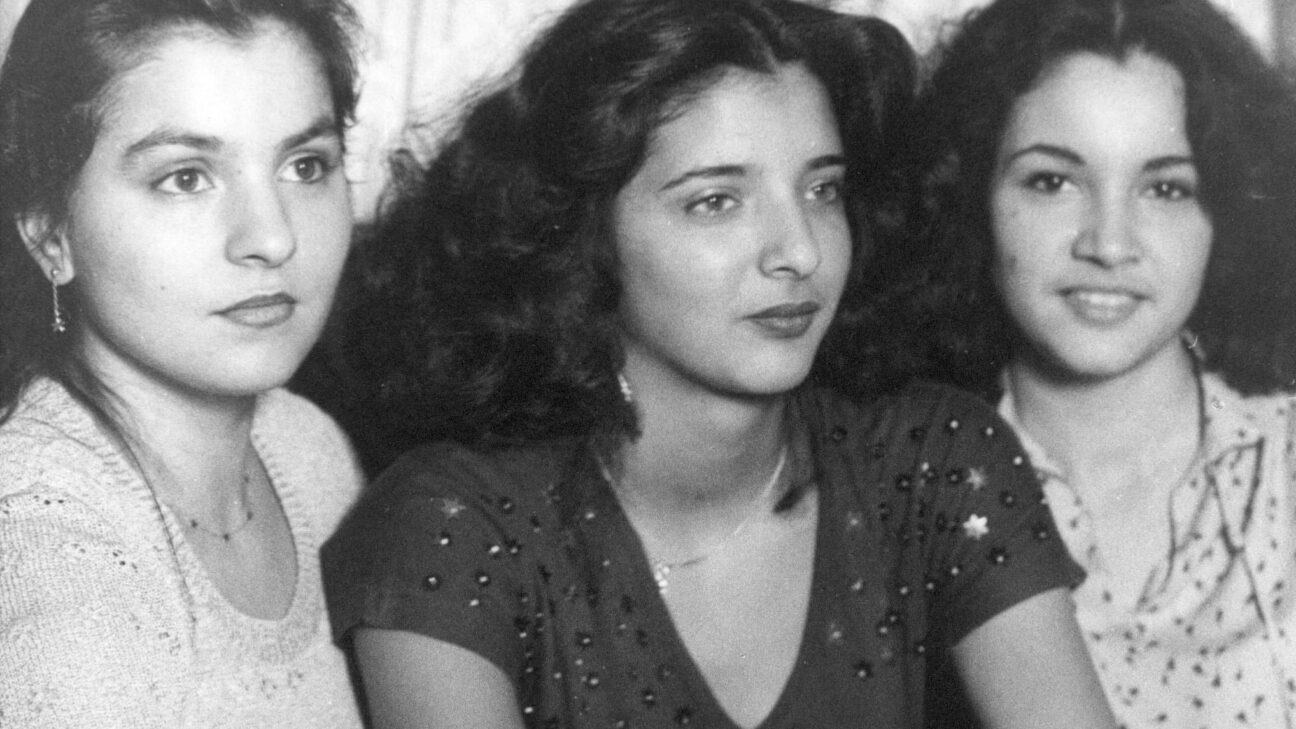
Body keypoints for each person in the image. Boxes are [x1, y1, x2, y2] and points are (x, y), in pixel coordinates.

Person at [320, 0, 1117, 727]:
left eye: (823, 190)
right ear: (584, 233)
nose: (799, 252)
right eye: (716, 201)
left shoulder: (933, 462)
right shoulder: (453, 529)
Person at [896, 0, 1296, 726]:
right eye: (1052, 181)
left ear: (1229, 213)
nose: (1109, 245)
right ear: (970, 192)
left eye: (1166, 188)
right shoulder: (905, 489)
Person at [0, 0, 365, 726]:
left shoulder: (308, 446)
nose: (272, 238)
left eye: (305, 165)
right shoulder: (44, 548)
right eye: (187, 177)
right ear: (50, 235)